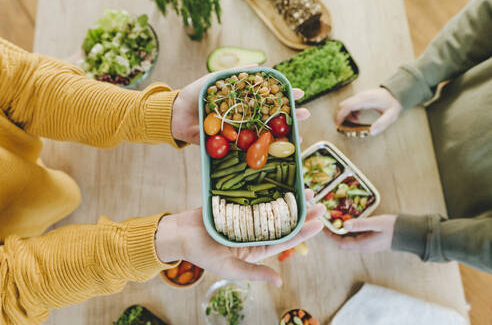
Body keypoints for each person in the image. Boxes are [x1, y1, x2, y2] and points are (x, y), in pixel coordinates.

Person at [0, 37, 326, 324]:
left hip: (22, 179)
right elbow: (10, 289)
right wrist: (167, 239)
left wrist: (159, 112)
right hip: (32, 259)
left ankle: (47, 199)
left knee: (61, 195)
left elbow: (23, 86)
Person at [326, 0, 492, 272]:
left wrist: (425, 237)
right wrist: (412, 83)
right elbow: (487, 16)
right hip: (420, 123)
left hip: (444, 220)